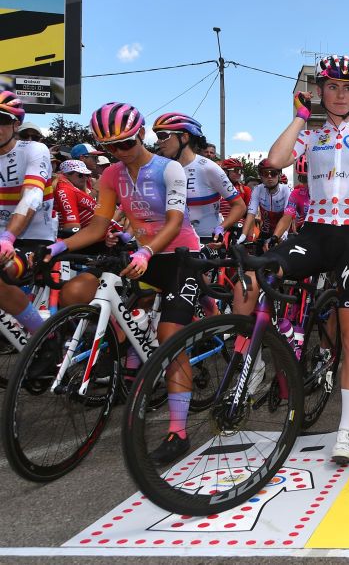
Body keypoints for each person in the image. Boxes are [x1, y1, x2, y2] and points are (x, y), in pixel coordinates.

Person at [236, 54, 349, 466]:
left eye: (347, 88)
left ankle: (346, 429)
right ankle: (270, 347)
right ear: (320, 91)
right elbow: (274, 160)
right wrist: (300, 117)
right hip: (316, 230)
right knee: (263, 269)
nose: (340, 95)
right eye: (332, 87)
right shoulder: (311, 135)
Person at [47, 102, 203, 464]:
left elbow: (176, 221)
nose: (117, 153)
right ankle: (123, 346)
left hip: (179, 257)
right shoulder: (110, 175)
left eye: (124, 144)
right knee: (76, 290)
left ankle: (178, 432)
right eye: (109, 148)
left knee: (170, 338)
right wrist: (55, 247)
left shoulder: (170, 168)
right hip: (141, 256)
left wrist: (147, 251)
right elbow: (98, 227)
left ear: (140, 136)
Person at [0, 91, 56, 338]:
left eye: (1, 120)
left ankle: (45, 337)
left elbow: (32, 195)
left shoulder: (34, 149)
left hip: (33, 238)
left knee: (3, 275)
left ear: (16, 124)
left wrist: (8, 237)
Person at [152, 113, 245, 247]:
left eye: (163, 136)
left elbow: (239, 206)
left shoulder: (208, 168)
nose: (158, 142)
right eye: (157, 137)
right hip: (172, 240)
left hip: (206, 240)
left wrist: (221, 228)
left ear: (184, 137)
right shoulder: (161, 168)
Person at [242, 158, 291, 244]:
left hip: (283, 230)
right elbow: (251, 214)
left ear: (279, 175)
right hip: (266, 231)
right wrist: (243, 235)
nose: (269, 177)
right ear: (261, 176)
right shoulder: (257, 189)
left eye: (273, 173)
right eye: (265, 173)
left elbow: (288, 216)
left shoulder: (286, 190)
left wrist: (285, 233)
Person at [53, 159, 96, 234]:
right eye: (80, 175)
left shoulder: (68, 189)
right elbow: (73, 228)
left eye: (86, 175)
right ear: (65, 175)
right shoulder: (64, 189)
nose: (85, 178)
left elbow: (72, 228)